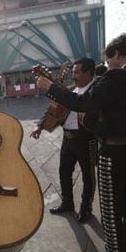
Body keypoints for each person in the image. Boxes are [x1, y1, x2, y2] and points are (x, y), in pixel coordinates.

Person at [36, 34, 126, 252]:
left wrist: (50, 88)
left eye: (109, 59)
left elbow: (83, 103)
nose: (108, 65)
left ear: (118, 55)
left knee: (111, 209)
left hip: (113, 150)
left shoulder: (116, 76)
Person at [30, 58, 98, 223]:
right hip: (67, 139)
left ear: (89, 73)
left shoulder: (95, 90)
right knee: (64, 172)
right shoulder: (71, 90)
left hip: (86, 139)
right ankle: (67, 203)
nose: (73, 76)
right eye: (73, 72)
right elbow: (52, 109)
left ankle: (85, 208)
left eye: (77, 72)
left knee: (88, 176)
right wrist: (39, 126)